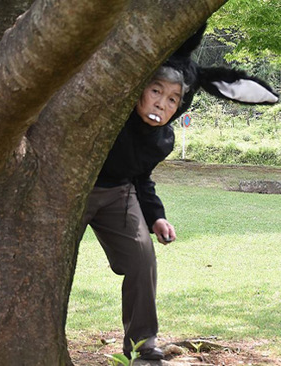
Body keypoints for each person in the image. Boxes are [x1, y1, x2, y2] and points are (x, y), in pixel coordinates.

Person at [80, 65, 188, 360]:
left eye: (172, 100)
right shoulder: (114, 112)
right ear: (140, 90)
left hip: (118, 193)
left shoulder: (163, 139)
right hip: (73, 187)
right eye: (156, 91)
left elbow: (142, 177)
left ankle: (142, 345)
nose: (160, 104)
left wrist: (157, 217)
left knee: (143, 259)